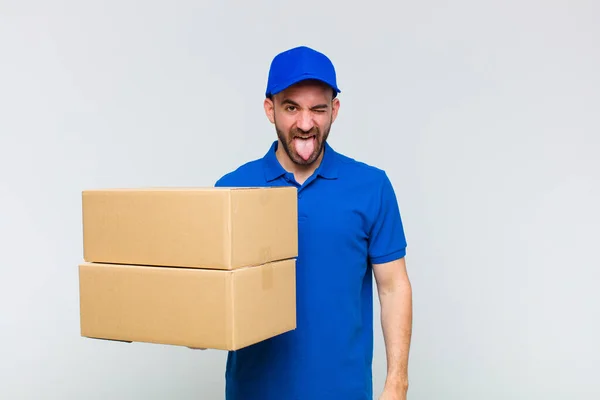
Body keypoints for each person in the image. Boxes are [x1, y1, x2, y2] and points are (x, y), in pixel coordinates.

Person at [213, 46, 413, 400]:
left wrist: (396, 383)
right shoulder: (231, 190)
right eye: (291, 107)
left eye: (317, 109)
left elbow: (393, 287)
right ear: (269, 109)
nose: (305, 124)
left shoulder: (371, 187)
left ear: (334, 110)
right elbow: (211, 290)